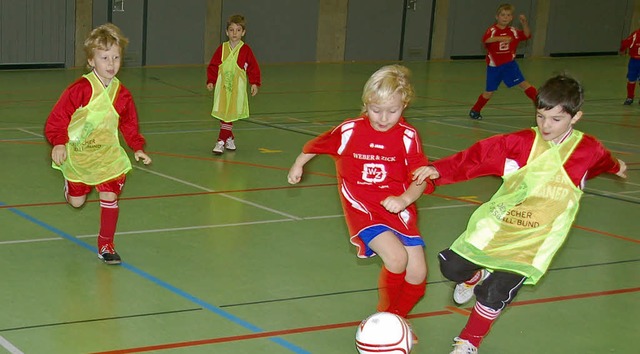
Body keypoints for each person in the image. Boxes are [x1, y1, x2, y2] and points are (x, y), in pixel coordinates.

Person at [413, 74, 627, 353]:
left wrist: (616, 167)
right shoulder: (521, 142)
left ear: (575, 117)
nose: (546, 125)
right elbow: (479, 156)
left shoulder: (587, 149)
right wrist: (439, 168)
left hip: (536, 240)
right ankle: (474, 276)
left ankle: (468, 342)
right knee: (450, 267)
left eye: (555, 119)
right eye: (540, 117)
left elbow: (602, 162)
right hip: (500, 223)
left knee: (495, 292)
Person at [288, 65, 435, 336]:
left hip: (398, 207)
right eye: (376, 109)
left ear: (405, 105)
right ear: (366, 103)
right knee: (396, 258)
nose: (383, 118)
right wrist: (299, 164)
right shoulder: (349, 130)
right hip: (363, 208)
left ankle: (396, 319)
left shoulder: (407, 136)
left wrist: (404, 199)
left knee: (418, 274)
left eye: (393, 111)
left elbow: (420, 179)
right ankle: (387, 318)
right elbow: (317, 145)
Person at [45, 23, 152, 265]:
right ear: (92, 61)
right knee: (77, 202)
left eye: (116, 57)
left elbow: (129, 124)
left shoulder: (122, 94)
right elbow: (58, 118)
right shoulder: (81, 89)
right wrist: (59, 143)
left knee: (110, 195)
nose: (111, 63)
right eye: (104, 58)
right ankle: (70, 187)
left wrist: (137, 146)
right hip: (80, 154)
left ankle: (106, 244)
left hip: (107, 155)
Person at [469, 3, 537, 120]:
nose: (505, 17)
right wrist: (501, 38)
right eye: (503, 15)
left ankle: (543, 105)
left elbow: (526, 35)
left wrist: (524, 23)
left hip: (509, 65)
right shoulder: (492, 30)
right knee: (489, 92)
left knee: (524, 84)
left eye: (508, 15)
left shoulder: (513, 31)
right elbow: (486, 40)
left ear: (511, 18)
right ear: (497, 17)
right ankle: (475, 110)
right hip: (494, 67)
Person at [206, 14, 261, 154]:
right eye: (231, 30)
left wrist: (254, 83)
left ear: (243, 32)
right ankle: (229, 138)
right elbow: (213, 65)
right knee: (224, 114)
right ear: (226, 32)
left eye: (238, 30)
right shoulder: (222, 49)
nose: (234, 33)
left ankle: (221, 141)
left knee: (228, 115)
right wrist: (211, 80)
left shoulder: (246, 50)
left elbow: (253, 67)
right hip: (223, 88)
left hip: (237, 89)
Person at [619, 26, 640, 105]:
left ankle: (630, 98)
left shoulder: (636, 34)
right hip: (634, 61)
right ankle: (630, 97)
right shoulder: (636, 34)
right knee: (631, 80)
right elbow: (626, 43)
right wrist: (622, 49)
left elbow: (625, 43)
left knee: (631, 80)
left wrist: (622, 49)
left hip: (634, 61)